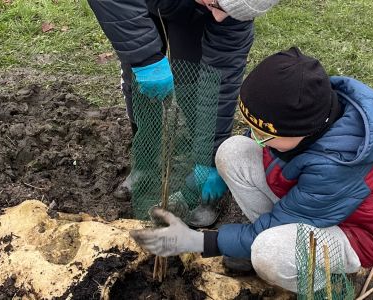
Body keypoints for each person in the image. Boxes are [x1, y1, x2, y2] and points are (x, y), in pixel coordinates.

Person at [130, 47, 373, 291]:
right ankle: (260, 244)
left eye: (264, 135)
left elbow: (286, 221)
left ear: (304, 131)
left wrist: (198, 241)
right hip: (309, 207)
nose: (256, 137)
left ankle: (326, 282)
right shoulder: (310, 117)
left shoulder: (337, 166)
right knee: (233, 150)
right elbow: (289, 204)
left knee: (269, 252)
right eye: (252, 127)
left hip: (357, 235)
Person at [87, 0, 280, 226]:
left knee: (195, 82)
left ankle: (200, 170)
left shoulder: (230, 13)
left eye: (228, 11)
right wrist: (144, 58)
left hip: (194, 12)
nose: (220, 16)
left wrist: (211, 156)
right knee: (140, 82)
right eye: (217, 3)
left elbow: (221, 80)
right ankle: (145, 164)